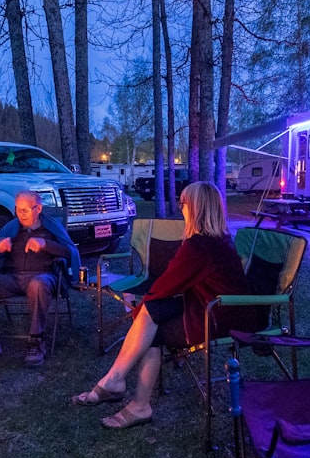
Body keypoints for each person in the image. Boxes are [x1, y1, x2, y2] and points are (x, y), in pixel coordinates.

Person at [72, 181, 264, 429]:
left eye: (184, 204)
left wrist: (138, 310)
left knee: (151, 326)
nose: (181, 208)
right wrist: (144, 309)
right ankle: (119, 386)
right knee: (151, 313)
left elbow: (166, 285)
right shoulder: (217, 240)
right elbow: (173, 286)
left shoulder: (200, 246)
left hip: (219, 316)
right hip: (218, 308)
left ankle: (127, 393)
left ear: (196, 209)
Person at [0, 189, 82, 367]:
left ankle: (36, 340)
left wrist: (46, 245)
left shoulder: (50, 227)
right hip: (12, 278)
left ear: (38, 208)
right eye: (18, 209)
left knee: (38, 284)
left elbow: (69, 252)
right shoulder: (11, 228)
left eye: (25, 210)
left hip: (44, 276)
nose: (21, 214)